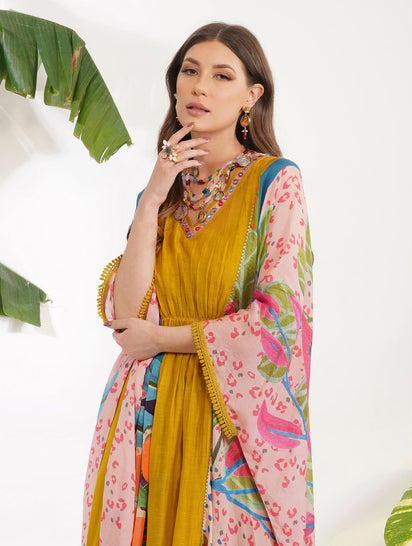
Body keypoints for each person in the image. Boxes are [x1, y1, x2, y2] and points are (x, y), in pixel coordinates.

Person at [81, 22, 314, 546]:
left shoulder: (276, 182)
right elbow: (128, 313)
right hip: (142, 414)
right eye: (189, 71)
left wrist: (161, 338)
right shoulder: (161, 193)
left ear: (252, 96)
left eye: (221, 76)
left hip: (225, 418)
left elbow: (279, 326)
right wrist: (152, 197)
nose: (200, 87)